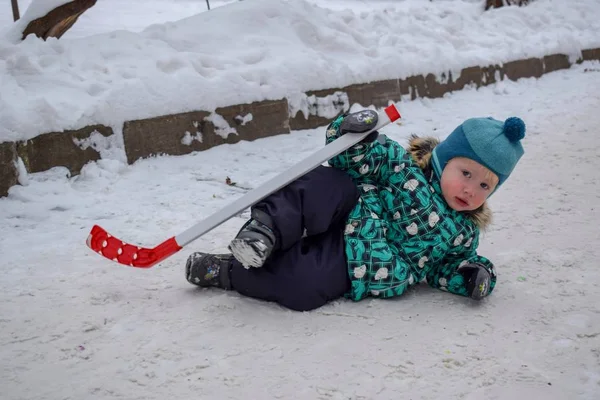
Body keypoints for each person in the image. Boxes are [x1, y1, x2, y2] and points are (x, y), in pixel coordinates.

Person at [184, 109, 526, 311]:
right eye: (465, 173)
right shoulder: (403, 167)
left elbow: (448, 267)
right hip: (350, 207)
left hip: (364, 261)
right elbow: (351, 156)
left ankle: (226, 271)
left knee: (305, 286)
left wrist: (472, 275)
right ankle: (264, 230)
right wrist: (352, 134)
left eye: (485, 185)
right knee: (324, 184)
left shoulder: (462, 235)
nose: (470, 189)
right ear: (442, 159)